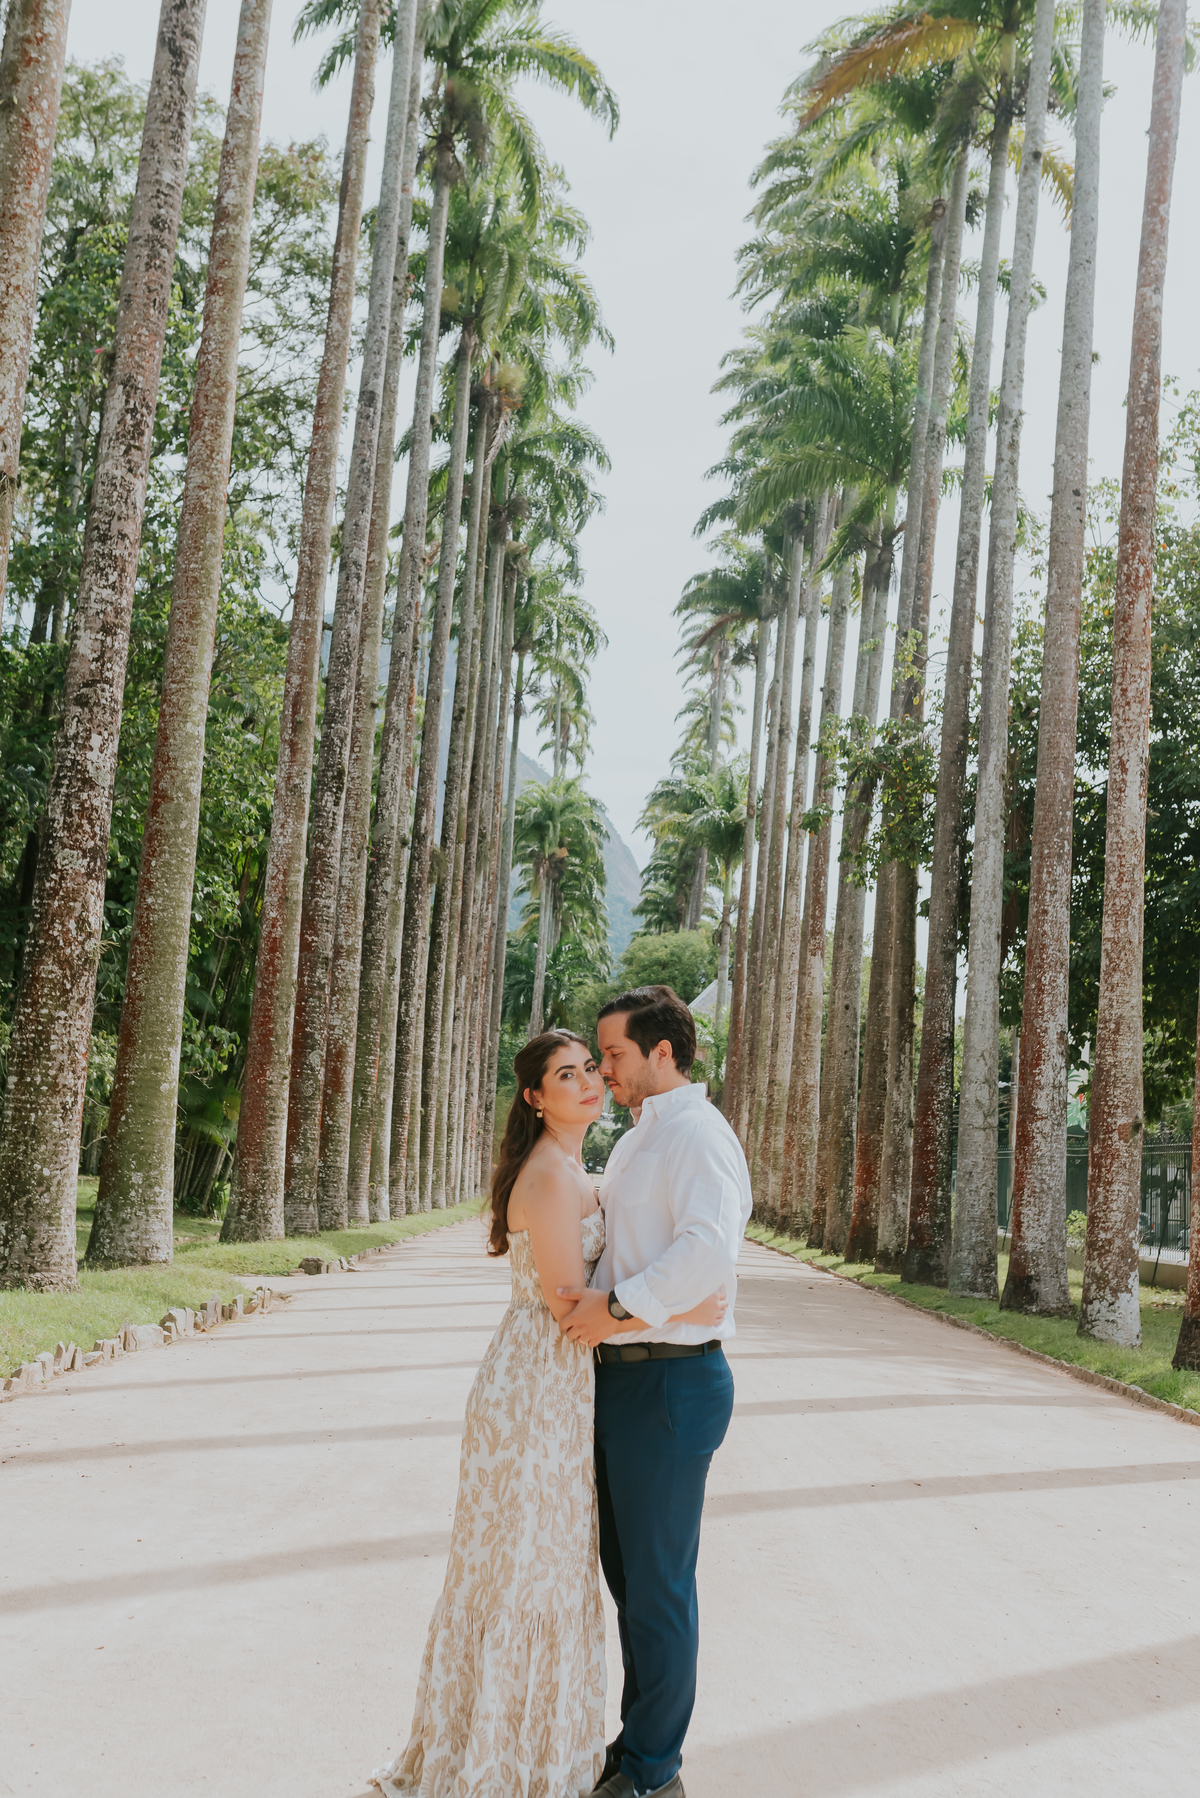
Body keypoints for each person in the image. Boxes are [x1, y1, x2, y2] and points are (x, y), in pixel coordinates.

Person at [370, 1028, 726, 1798]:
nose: (591, 1080)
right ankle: (512, 1758)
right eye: (569, 1075)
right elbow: (572, 1304)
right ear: (536, 1098)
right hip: (540, 1384)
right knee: (529, 1572)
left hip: (564, 1382)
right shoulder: (556, 1178)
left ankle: (558, 1750)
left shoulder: (583, 1167)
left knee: (548, 1570)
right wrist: (693, 1299)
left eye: (592, 1068)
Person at [556, 986, 752, 1798]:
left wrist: (620, 1306)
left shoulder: (700, 1137)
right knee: (632, 1582)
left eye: (614, 1056)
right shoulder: (640, 1140)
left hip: (672, 1383)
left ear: (661, 1052)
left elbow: (708, 1251)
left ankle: (652, 1775)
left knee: (661, 1586)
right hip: (624, 1381)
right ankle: (638, 1747)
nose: (605, 1070)